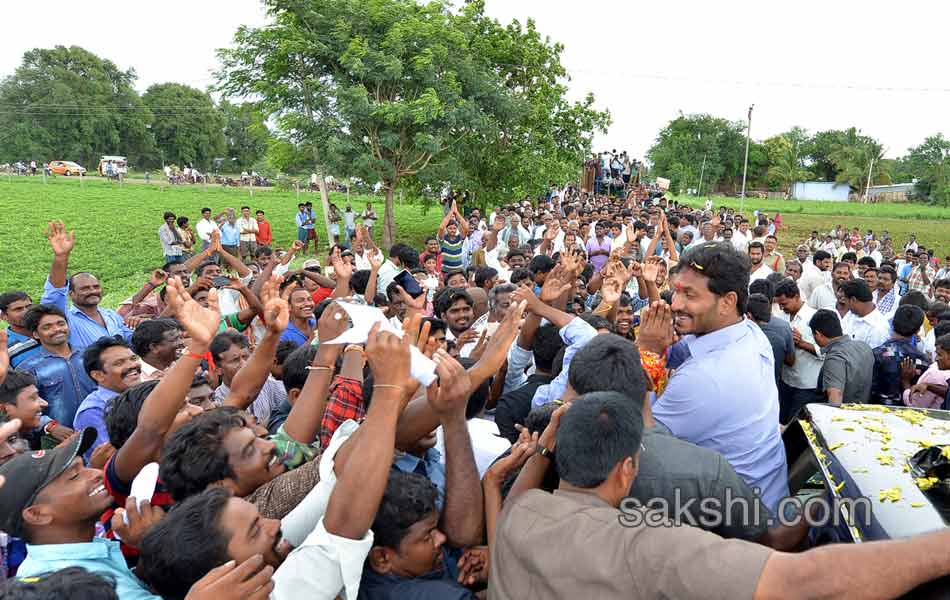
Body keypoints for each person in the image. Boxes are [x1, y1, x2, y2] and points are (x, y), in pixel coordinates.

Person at [651, 242, 788, 513]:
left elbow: (638, 444)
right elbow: (685, 349)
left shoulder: (703, 378)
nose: (675, 304)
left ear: (727, 301)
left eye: (689, 295)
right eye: (676, 291)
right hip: (768, 496)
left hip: (736, 523)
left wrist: (648, 352)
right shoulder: (750, 332)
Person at [39, 221, 132, 351]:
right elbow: (54, 295)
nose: (93, 291)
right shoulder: (66, 320)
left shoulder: (110, 315)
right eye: (85, 288)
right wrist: (61, 257)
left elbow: (133, 341)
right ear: (71, 294)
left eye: (96, 286)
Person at [19, 304, 96, 429]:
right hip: (62, 438)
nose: (57, 329)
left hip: (102, 427)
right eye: (47, 327)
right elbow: (23, 407)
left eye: (61, 323)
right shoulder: (29, 368)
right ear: (36, 334)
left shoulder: (90, 355)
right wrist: (49, 426)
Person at [73, 336, 142, 461]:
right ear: (98, 375)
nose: (132, 365)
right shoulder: (93, 412)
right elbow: (114, 460)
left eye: (133, 358)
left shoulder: (144, 393)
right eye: (119, 363)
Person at [773, 280, 823, 424]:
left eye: (784, 304)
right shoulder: (781, 318)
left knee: (796, 426)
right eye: (779, 305)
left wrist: (801, 344)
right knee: (781, 422)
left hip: (806, 386)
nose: (782, 308)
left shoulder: (815, 317)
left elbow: (826, 352)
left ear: (796, 297)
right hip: (786, 381)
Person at [811, 308, 874, 405]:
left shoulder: (835, 357)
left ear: (818, 334)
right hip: (863, 411)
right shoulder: (864, 347)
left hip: (842, 415)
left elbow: (835, 397)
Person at [871, 305, 931, 405]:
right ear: (917, 330)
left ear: (893, 323)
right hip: (909, 415)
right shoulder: (923, 360)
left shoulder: (875, 354)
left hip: (875, 412)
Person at [747, 293, 794, 386]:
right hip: (774, 388)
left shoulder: (744, 338)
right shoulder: (781, 334)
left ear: (749, 316)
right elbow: (791, 361)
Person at [840, 279, 891, 349]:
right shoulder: (851, 314)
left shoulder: (878, 329)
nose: (845, 304)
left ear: (853, 300)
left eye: (845, 300)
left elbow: (870, 358)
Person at [0, 291, 42, 367]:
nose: (26, 311)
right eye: (18, 309)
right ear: (3, 316)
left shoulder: (48, 330)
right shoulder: (3, 346)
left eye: (29, 306)